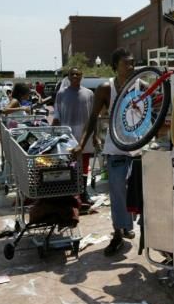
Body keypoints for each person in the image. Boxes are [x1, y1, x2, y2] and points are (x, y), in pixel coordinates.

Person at [74, 48, 139, 256]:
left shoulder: (142, 86)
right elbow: (93, 118)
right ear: (115, 67)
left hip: (139, 149)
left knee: (138, 192)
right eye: (126, 63)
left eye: (133, 63)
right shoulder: (105, 88)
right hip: (115, 148)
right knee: (118, 191)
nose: (131, 67)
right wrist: (82, 144)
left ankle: (134, 228)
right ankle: (118, 233)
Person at [52, 67, 95, 206]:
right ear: (68, 77)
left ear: (82, 75)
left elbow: (94, 117)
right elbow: (57, 114)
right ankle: (71, 193)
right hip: (68, 133)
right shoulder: (61, 94)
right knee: (70, 164)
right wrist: (54, 132)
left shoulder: (89, 94)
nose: (75, 76)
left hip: (85, 133)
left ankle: (83, 192)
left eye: (78, 73)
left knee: (84, 163)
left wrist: (96, 135)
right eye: (72, 74)